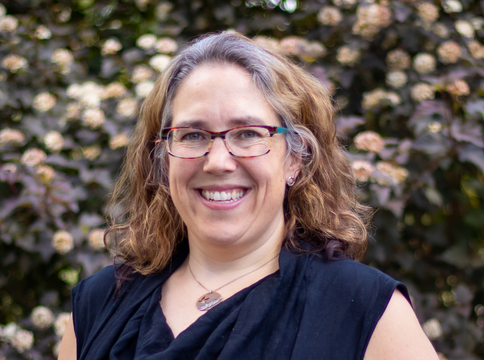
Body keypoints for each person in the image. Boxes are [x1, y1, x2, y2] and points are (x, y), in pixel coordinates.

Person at [58, 32, 439, 360]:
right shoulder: (99, 303)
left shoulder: (365, 310)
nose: (218, 161)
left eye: (248, 134)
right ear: (162, 160)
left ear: (296, 159)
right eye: (193, 135)